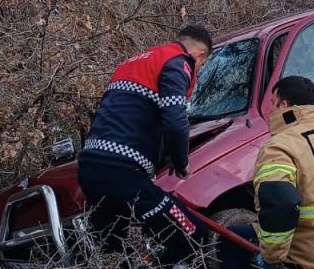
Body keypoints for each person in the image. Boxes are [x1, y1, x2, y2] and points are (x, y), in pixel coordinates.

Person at [77, 25, 214, 268]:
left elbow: (131, 115)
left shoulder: (133, 62)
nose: (197, 71)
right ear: (199, 55)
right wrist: (181, 160)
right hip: (122, 174)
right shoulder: (179, 61)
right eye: (201, 67)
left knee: (115, 252)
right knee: (194, 236)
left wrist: (163, 152)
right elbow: (174, 118)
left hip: (90, 168)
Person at [217, 75, 314, 269]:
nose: (270, 109)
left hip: (311, 258)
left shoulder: (279, 146)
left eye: (272, 103)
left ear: (283, 105)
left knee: (230, 240)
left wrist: (272, 257)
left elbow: (281, 204)